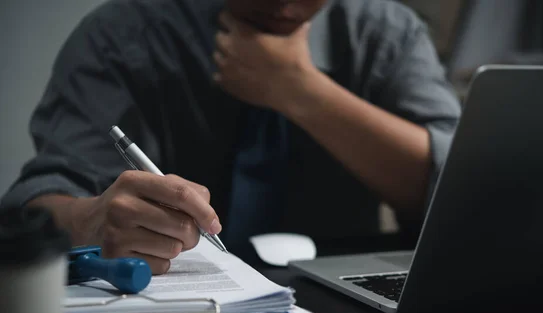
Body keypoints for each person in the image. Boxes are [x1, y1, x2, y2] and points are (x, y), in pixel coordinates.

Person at [0, 0, 461, 273]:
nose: (285, 5)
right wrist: (91, 220)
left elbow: (464, 192)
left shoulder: (385, 31)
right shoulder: (121, 37)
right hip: (170, 307)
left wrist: (301, 91)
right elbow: (35, 205)